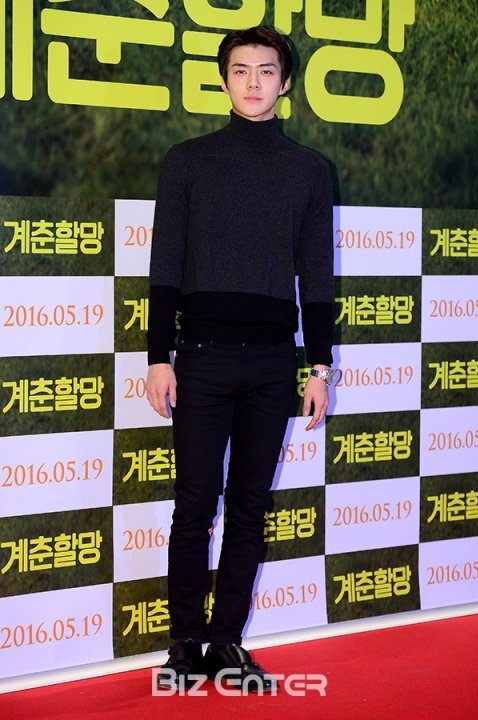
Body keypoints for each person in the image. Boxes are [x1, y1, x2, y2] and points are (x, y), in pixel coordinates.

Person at [146, 25, 334, 693]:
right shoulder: (187, 161)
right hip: (199, 359)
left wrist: (318, 368)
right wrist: (157, 356)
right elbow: (165, 265)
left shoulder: (310, 171)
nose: (253, 82)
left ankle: (227, 641)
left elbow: (317, 276)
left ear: (285, 82)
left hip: (273, 364)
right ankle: (183, 645)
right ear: (224, 80)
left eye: (266, 70)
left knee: (250, 506)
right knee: (195, 504)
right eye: (240, 70)